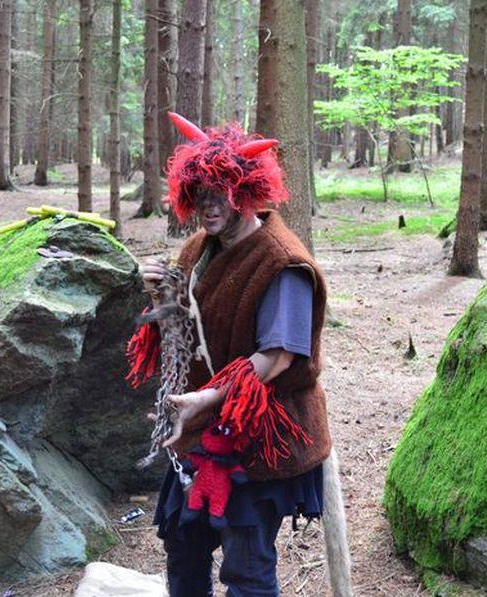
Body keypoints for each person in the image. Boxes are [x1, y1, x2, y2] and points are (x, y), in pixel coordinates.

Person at [128, 113, 332, 596]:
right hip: (201, 432)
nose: (208, 203)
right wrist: (162, 299)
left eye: (221, 191)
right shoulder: (198, 249)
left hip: (261, 437)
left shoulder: (283, 264)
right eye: (199, 192)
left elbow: (277, 357)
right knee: (183, 549)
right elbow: (189, 332)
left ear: (248, 191)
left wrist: (206, 399)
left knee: (245, 568)